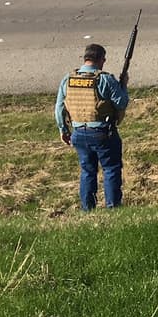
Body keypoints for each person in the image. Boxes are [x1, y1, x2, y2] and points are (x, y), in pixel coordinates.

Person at [55, 43, 130, 211]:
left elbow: (59, 108)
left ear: (85, 58)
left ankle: (88, 208)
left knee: (87, 171)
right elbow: (122, 102)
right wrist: (123, 85)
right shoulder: (105, 79)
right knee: (111, 169)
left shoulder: (68, 79)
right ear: (100, 59)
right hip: (103, 133)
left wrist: (63, 130)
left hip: (78, 132)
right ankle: (113, 208)